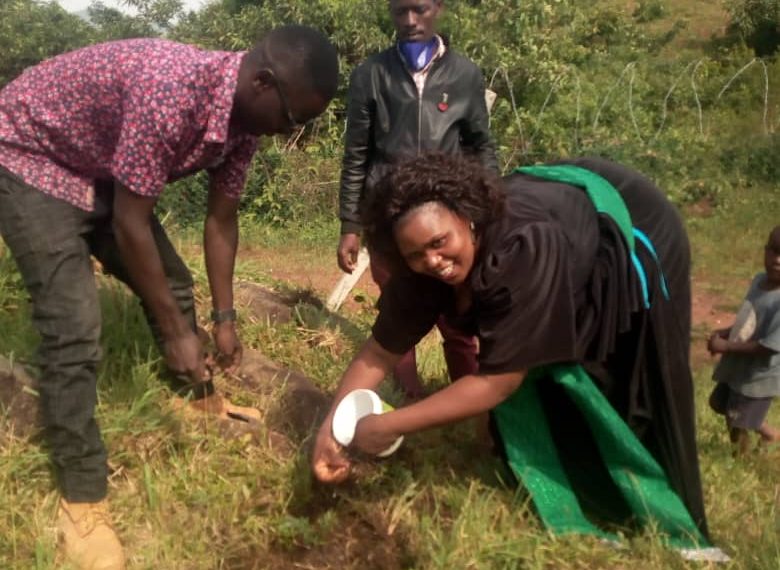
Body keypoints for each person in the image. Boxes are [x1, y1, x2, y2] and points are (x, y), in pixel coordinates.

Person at [0, 26, 338, 570]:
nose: (287, 132)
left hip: (94, 167)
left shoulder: (244, 123)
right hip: (31, 157)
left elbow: (221, 221)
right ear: (263, 83)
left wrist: (223, 319)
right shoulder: (171, 87)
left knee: (174, 286)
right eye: (293, 119)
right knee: (73, 326)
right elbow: (131, 223)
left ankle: (198, 399)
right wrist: (180, 333)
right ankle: (81, 500)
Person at [313, 153, 711, 545]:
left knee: (626, 376)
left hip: (629, 220)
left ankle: (659, 509)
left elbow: (498, 382)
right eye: (415, 254)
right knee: (528, 361)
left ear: (467, 218)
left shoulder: (523, 246)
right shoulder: (418, 265)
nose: (433, 261)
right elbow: (379, 353)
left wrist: (389, 425)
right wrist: (332, 428)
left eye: (439, 242)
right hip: (554, 203)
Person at [336, 0, 498, 398]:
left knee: (459, 315)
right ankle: (407, 398)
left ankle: (467, 400)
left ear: (438, 8)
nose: (410, 21)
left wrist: (491, 212)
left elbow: (481, 147)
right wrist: (350, 224)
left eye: (420, 9)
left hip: (448, 219)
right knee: (399, 306)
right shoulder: (371, 74)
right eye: (399, 11)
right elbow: (357, 153)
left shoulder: (464, 75)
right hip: (389, 219)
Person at [708, 225, 780, 455]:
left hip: (758, 376)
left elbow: (768, 347)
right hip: (738, 366)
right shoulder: (759, 281)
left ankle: (740, 458)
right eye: (774, 251)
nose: (777, 260)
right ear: (765, 250)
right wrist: (725, 333)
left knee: (737, 419)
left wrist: (726, 346)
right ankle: (769, 433)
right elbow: (749, 322)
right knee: (720, 404)